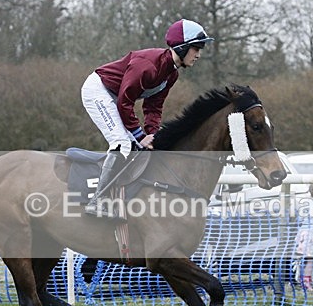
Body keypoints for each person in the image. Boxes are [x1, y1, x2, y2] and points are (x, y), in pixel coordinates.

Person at [80, 18, 214, 219]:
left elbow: (153, 107)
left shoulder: (171, 75)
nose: (198, 55)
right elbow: (125, 102)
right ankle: (98, 201)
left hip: (117, 97)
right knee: (123, 143)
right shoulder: (148, 66)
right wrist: (139, 135)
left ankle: (121, 199)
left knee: (140, 147)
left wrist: (153, 136)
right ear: (183, 47)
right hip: (99, 91)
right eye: (196, 49)